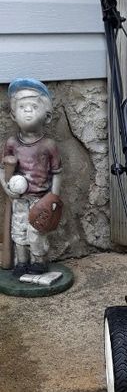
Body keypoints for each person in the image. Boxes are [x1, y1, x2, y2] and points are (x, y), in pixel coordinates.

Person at [1, 78, 62, 275]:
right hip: (19, 199)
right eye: (22, 106)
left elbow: (56, 173)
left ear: (47, 116)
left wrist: (53, 198)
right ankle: (22, 262)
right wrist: (6, 186)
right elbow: (3, 169)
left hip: (40, 199)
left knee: (36, 232)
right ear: (13, 114)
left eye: (34, 106)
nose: (28, 110)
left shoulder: (49, 145)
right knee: (18, 232)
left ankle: (38, 262)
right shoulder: (12, 143)